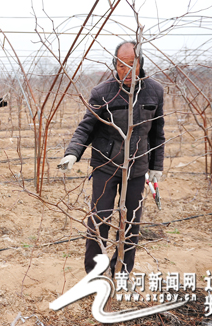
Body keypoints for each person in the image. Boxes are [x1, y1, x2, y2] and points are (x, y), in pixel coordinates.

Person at [59, 41, 165, 276]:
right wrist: (72, 153)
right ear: (114, 64)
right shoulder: (102, 92)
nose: (126, 71)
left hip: (137, 167)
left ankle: (123, 270)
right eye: (121, 65)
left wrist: (156, 166)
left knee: (131, 222)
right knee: (99, 220)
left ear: (141, 63)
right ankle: (94, 273)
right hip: (106, 166)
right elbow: (86, 127)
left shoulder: (154, 91)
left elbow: (157, 132)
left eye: (131, 64)